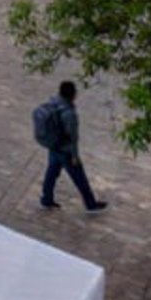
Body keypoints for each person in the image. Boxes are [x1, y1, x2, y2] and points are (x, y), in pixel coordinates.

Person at [37, 81, 108, 211]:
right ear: (72, 95)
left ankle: (46, 198)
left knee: (51, 173)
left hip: (54, 146)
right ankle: (90, 204)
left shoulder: (53, 103)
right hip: (65, 151)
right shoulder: (69, 114)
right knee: (80, 178)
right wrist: (75, 156)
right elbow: (73, 137)